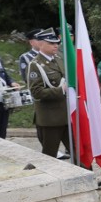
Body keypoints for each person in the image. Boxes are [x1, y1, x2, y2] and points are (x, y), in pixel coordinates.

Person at [27, 29, 70, 157]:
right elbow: (36, 92)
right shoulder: (35, 65)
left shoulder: (59, 59)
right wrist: (61, 90)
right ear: (40, 44)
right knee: (49, 156)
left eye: (56, 42)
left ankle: (87, 176)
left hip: (67, 114)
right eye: (51, 43)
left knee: (79, 151)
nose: (55, 45)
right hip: (50, 118)